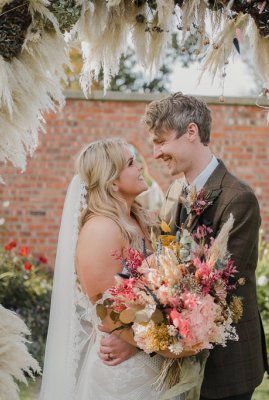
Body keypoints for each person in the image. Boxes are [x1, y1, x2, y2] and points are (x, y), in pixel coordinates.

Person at [100, 93, 268, 400]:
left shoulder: (238, 199)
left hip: (225, 365)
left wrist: (135, 339)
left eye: (161, 141)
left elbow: (212, 289)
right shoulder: (175, 191)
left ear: (191, 132)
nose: (156, 153)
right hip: (176, 357)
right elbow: (164, 264)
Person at [40, 138, 189, 400]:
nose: (141, 167)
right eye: (131, 163)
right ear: (113, 182)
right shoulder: (101, 229)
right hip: (122, 373)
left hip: (146, 359)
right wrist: (147, 343)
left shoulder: (138, 218)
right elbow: (107, 309)